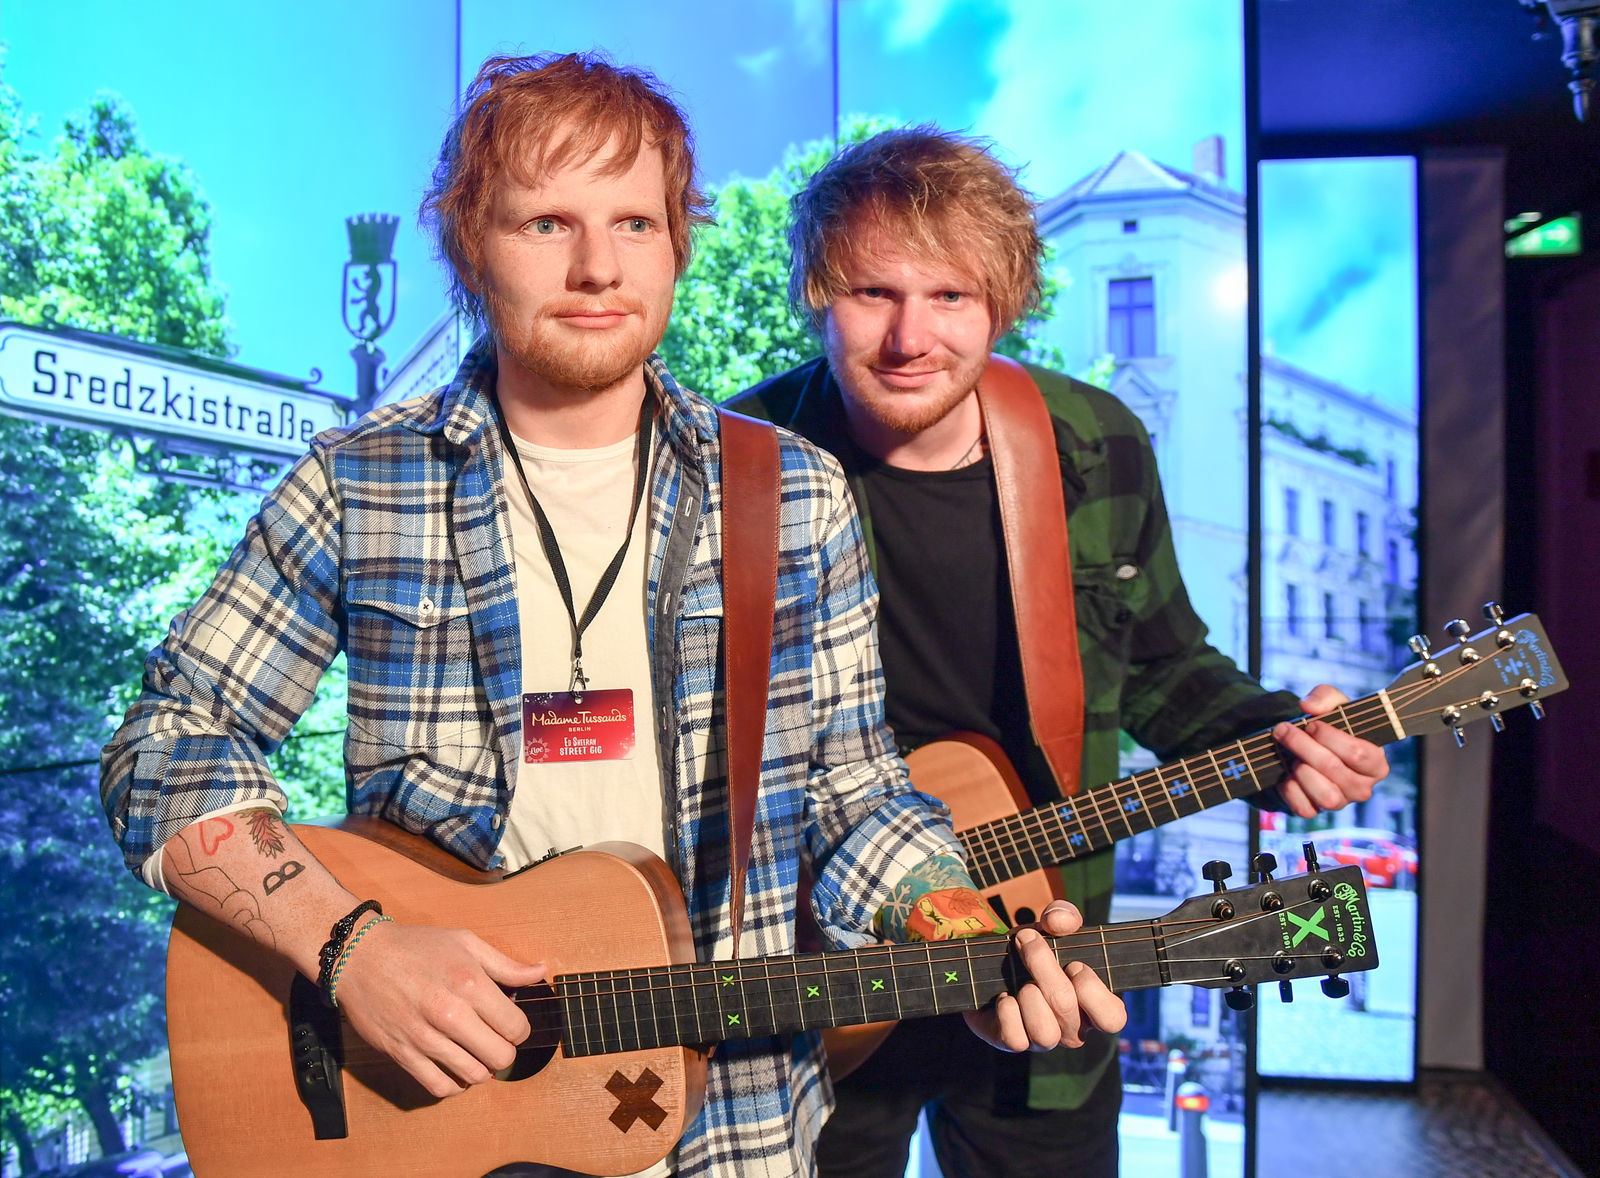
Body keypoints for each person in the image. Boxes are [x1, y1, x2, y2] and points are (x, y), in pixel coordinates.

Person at [99, 59, 1124, 1178]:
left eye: (635, 222)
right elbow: (164, 746)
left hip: (734, 1129)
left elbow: (851, 791)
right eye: (547, 222)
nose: (597, 266)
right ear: (470, 246)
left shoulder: (790, 493)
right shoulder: (362, 482)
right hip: (434, 1120)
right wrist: (353, 950)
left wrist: (956, 926)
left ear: (677, 244)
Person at [731, 127, 1390, 1178]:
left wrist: (1277, 737)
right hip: (812, 983)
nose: (910, 336)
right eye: (872, 292)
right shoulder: (739, 461)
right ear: (816, 293)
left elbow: (1165, 665)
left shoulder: (1093, 442)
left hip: (1050, 960)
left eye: (951, 295)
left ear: (1004, 303)